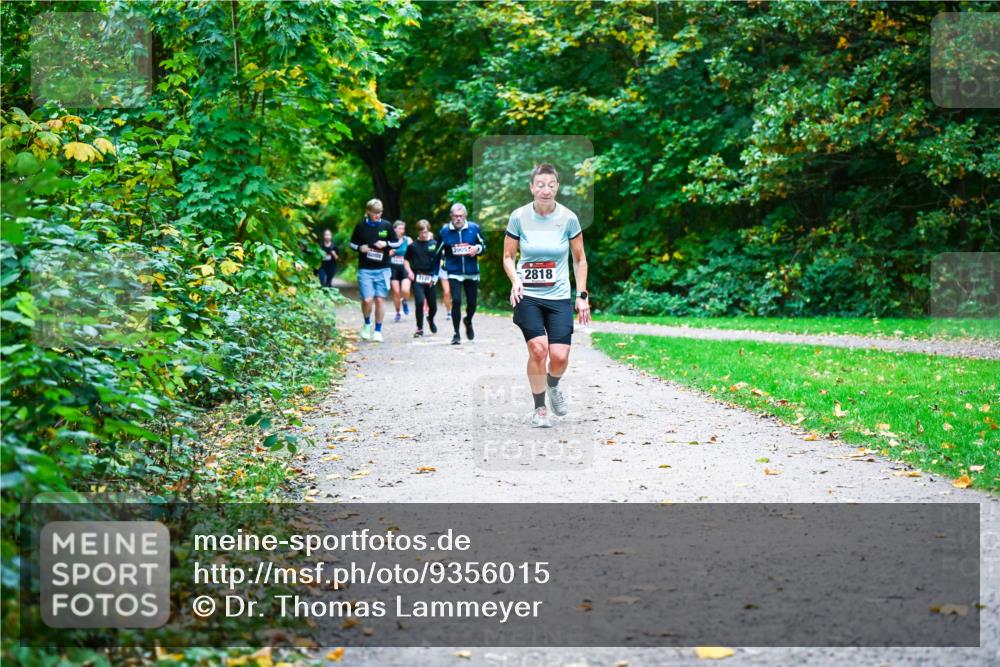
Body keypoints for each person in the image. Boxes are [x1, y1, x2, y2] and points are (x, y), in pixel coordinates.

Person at [502, 163, 590, 428]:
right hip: (527, 295)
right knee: (538, 350)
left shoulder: (568, 218)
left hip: (559, 296)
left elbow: (580, 259)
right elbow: (508, 256)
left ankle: (553, 385)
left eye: (551, 184)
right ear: (531, 187)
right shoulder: (518, 217)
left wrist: (581, 294)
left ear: (557, 187)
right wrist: (516, 280)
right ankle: (539, 408)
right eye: (540, 184)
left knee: (560, 357)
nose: (545, 190)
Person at [349, 198, 401, 343]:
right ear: (368, 212)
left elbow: (396, 243)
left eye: (380, 212)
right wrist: (360, 248)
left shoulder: (387, 225)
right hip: (365, 269)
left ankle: (378, 330)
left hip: (383, 268)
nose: (378, 215)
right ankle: (367, 323)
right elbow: (352, 244)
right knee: (367, 299)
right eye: (375, 213)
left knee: (379, 299)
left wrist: (386, 243)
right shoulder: (360, 226)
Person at [438, 203, 486, 345]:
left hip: (471, 271)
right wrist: (434, 272)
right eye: (455, 216)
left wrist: (476, 249)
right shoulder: (445, 231)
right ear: (451, 217)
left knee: (472, 303)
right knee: (457, 301)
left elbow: (484, 246)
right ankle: (456, 333)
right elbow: (437, 251)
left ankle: (468, 320)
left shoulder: (473, 228)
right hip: (454, 271)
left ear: (465, 216)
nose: (458, 219)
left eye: (461, 216)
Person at [403, 220, 440, 337]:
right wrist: (409, 272)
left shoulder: (434, 244)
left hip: (430, 277)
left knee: (433, 306)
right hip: (417, 277)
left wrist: (434, 276)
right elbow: (406, 260)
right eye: (421, 232)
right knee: (419, 301)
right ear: (418, 232)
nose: (424, 234)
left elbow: (439, 261)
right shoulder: (412, 246)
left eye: (426, 232)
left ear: (428, 231)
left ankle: (430, 318)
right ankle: (419, 328)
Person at [389, 220, 412, 321]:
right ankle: (398, 312)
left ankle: (405, 301)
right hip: (393, 268)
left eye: (403, 228)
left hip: (404, 268)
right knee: (396, 292)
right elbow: (384, 252)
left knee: (405, 290)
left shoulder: (408, 240)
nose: (402, 230)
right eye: (400, 228)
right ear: (394, 229)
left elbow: (415, 253)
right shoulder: (389, 241)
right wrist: (388, 252)